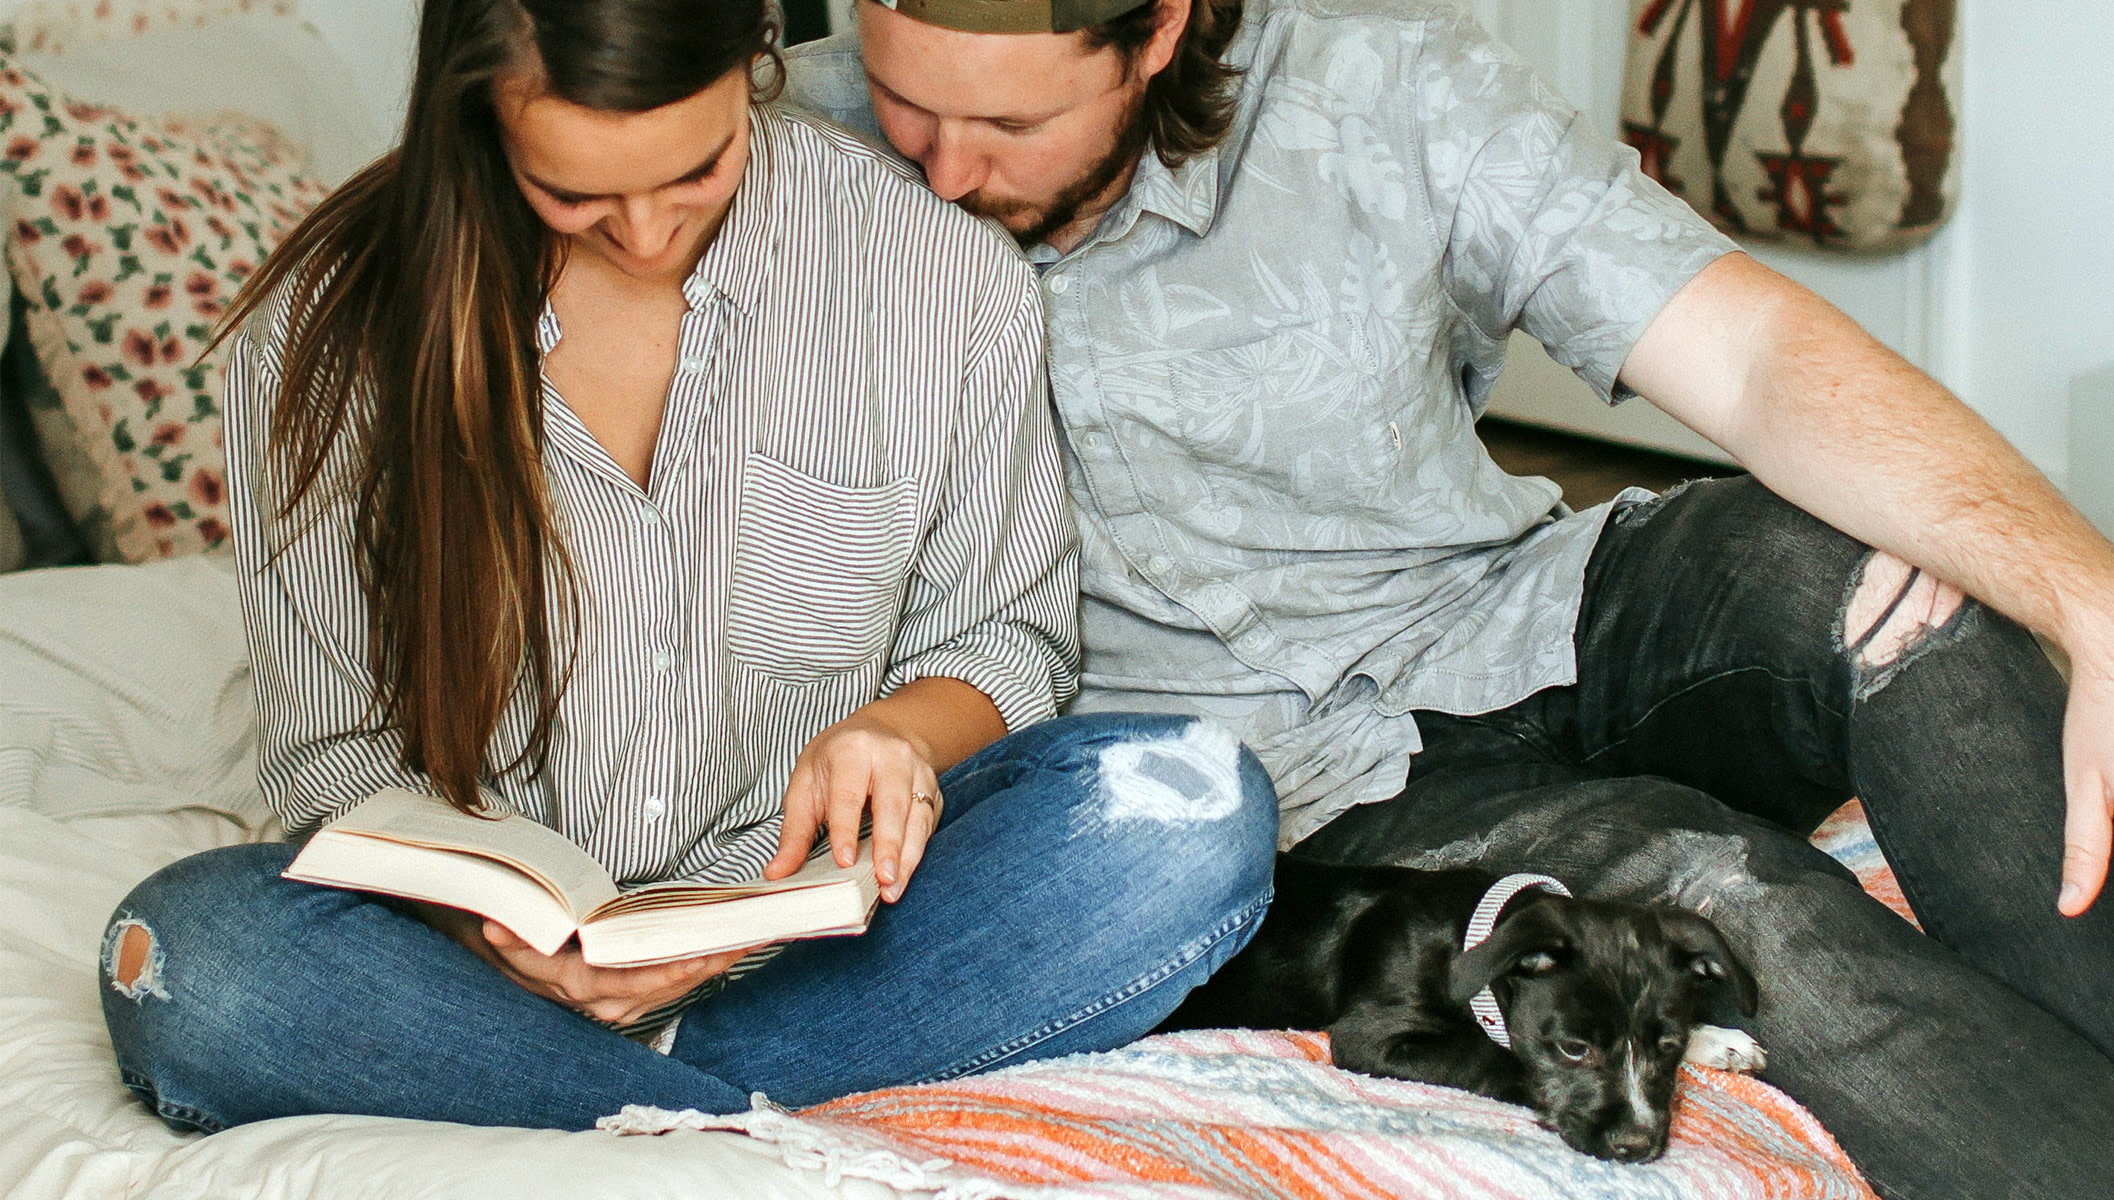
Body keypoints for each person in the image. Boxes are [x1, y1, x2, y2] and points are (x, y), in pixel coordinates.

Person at [779, 0, 2114, 1194]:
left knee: (1911, 606)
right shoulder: (781, 158)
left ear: (1161, 28)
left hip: (1514, 614)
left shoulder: (1386, 94)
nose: (944, 170)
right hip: (1298, 779)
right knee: (1728, 900)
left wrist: (2106, 610)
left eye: (1012, 128)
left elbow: (1750, 358)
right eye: (904, 100)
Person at [96, 0, 1276, 1133]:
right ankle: (731, 1109)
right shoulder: (325, 332)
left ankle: (588, 1098)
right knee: (182, 960)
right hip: (479, 978)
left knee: (1192, 808)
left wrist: (903, 736)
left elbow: (1008, 637)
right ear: (479, 121)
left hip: (818, 945)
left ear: (756, 60)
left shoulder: (939, 280)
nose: (649, 236)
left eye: (694, 174)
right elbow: (333, 753)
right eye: (574, 192)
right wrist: (481, 933)